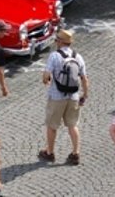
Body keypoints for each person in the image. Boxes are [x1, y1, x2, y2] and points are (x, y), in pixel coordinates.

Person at [38, 29, 89, 166]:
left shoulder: (54, 56)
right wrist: (85, 95)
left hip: (56, 96)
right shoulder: (78, 57)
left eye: (56, 40)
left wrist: (46, 81)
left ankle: (49, 152)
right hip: (73, 96)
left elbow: (46, 76)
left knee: (52, 126)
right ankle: (75, 153)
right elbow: (84, 78)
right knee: (72, 125)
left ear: (60, 42)